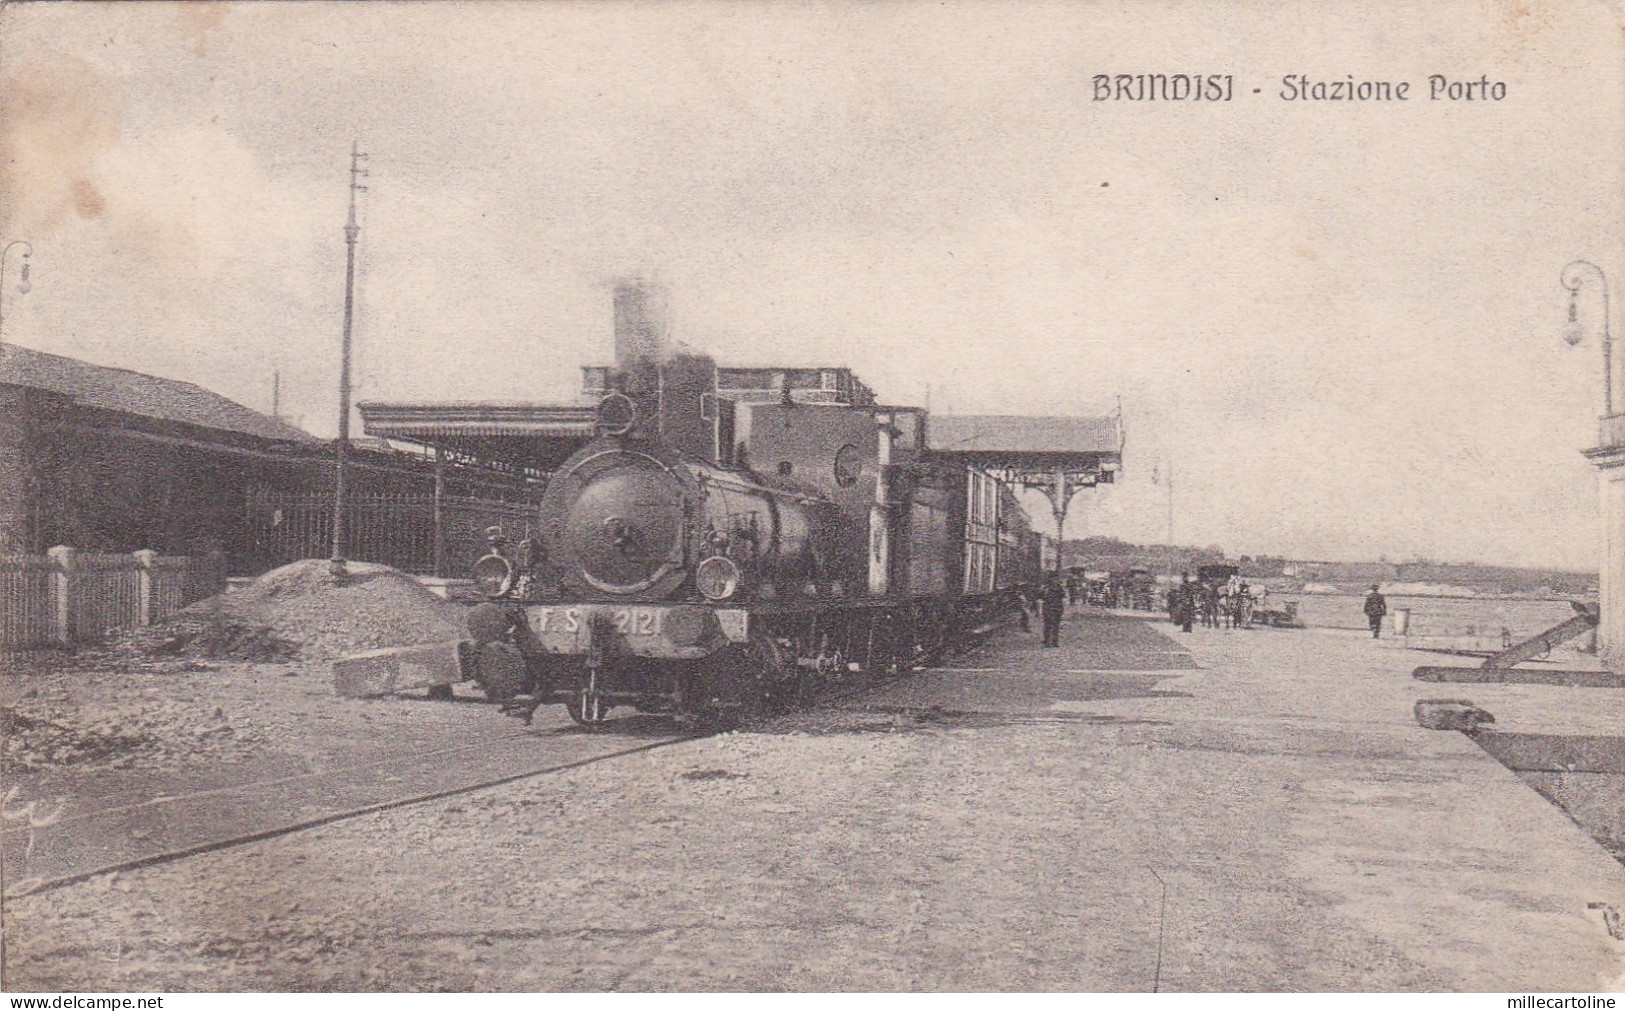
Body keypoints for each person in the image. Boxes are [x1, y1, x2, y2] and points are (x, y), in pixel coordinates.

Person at [1040, 575, 1067, 647]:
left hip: (1052, 608)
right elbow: (1063, 596)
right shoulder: (1052, 588)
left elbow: (1041, 597)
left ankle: (1052, 641)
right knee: (1051, 625)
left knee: (1052, 625)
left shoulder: (1047, 588)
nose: (1056, 581)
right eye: (1055, 579)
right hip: (1051, 608)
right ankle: (1050, 641)